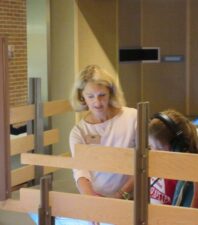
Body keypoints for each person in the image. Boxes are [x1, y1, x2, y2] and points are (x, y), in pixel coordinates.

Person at [30, 65, 137, 225]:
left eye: (102, 95)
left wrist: (121, 195)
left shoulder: (132, 117)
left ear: (111, 93)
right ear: (82, 97)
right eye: (91, 96)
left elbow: (145, 163)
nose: (98, 102)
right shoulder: (78, 132)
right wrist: (92, 202)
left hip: (132, 196)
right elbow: (80, 171)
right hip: (97, 197)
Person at [148, 109, 198, 207]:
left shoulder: (189, 180)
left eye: (159, 148)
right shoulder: (157, 168)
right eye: (150, 147)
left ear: (177, 147)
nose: (153, 153)